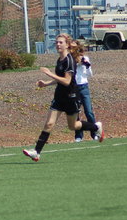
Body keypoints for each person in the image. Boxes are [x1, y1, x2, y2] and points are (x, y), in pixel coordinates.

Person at [23, 33, 103, 162]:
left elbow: (66, 81)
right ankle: (36, 152)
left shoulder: (69, 60)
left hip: (71, 97)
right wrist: (46, 83)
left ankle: (95, 127)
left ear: (67, 45)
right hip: (59, 97)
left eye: (61, 42)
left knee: (73, 126)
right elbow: (59, 79)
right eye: (56, 42)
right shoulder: (59, 59)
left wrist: (49, 73)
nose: (58, 44)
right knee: (49, 123)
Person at [71, 41, 98, 142]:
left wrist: (86, 65)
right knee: (76, 112)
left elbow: (89, 74)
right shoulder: (70, 59)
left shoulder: (85, 58)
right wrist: (76, 64)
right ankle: (78, 135)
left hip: (84, 86)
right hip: (74, 87)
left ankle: (94, 133)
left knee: (88, 111)